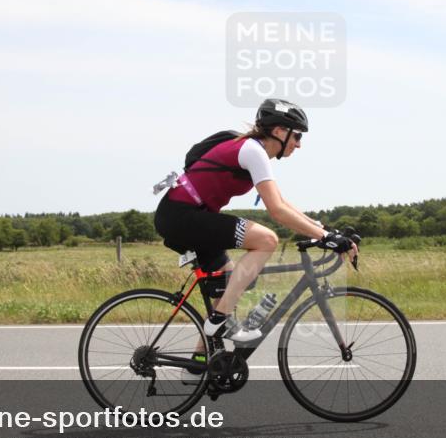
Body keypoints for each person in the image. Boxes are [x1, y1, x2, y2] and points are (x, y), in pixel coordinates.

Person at [154, 98, 359, 348]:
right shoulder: (253, 151)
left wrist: (324, 230)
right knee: (266, 240)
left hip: (188, 216)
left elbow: (282, 202)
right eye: (297, 136)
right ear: (279, 131)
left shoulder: (252, 150)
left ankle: (200, 364)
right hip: (182, 216)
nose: (299, 144)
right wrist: (326, 239)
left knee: (229, 285)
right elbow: (278, 211)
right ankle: (222, 321)